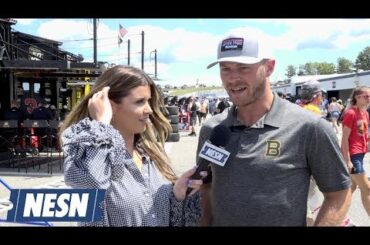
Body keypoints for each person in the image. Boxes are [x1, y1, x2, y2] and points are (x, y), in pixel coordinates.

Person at [198, 30, 352, 226]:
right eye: (225, 69)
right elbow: (206, 187)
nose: (232, 78)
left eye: (243, 67)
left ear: (269, 67)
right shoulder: (212, 129)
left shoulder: (309, 128)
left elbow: (339, 193)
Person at [60, 65, 205, 226]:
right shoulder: (89, 157)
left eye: (148, 101)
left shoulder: (151, 155)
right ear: (110, 106)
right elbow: (93, 184)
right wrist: (101, 124)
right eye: (140, 102)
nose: (149, 109)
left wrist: (177, 194)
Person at [341, 86, 370, 217]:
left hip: (361, 154)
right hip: (353, 157)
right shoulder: (351, 113)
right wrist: (347, 160)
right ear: (357, 98)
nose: (369, 99)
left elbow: (364, 134)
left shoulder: (365, 113)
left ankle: (334, 216)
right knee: (367, 188)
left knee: (350, 189)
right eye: (366, 96)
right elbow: (344, 139)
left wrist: (367, 144)